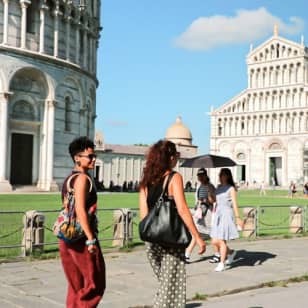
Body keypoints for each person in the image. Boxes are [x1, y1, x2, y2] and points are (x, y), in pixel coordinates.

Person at [139, 140, 205, 307]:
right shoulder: (174, 177)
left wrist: (148, 236)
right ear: (169, 157)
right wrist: (197, 237)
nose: (177, 158)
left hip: (151, 239)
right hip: (170, 238)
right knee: (171, 284)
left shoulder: (146, 180)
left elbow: (143, 214)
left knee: (165, 282)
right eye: (176, 155)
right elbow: (182, 209)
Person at [59, 136, 106, 307]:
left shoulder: (68, 179)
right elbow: (80, 210)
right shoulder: (83, 179)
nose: (94, 159)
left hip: (66, 236)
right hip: (81, 239)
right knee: (94, 284)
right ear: (77, 157)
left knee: (76, 286)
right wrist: (90, 238)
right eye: (90, 156)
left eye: (94, 156)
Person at [210, 168, 244, 272]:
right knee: (214, 241)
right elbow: (213, 200)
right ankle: (231, 252)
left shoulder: (231, 189)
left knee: (221, 240)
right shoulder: (218, 187)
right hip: (218, 214)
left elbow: (234, 204)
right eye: (220, 175)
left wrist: (238, 218)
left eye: (223, 175)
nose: (221, 176)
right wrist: (210, 192)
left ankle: (222, 263)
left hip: (226, 214)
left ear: (228, 176)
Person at [185, 168, 216, 262]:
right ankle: (187, 254)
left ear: (206, 176)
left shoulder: (210, 186)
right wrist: (197, 205)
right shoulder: (199, 186)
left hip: (208, 214)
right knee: (196, 233)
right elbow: (197, 200)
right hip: (199, 213)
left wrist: (206, 199)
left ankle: (223, 252)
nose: (200, 178)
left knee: (213, 234)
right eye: (199, 176)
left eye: (202, 176)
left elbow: (213, 201)